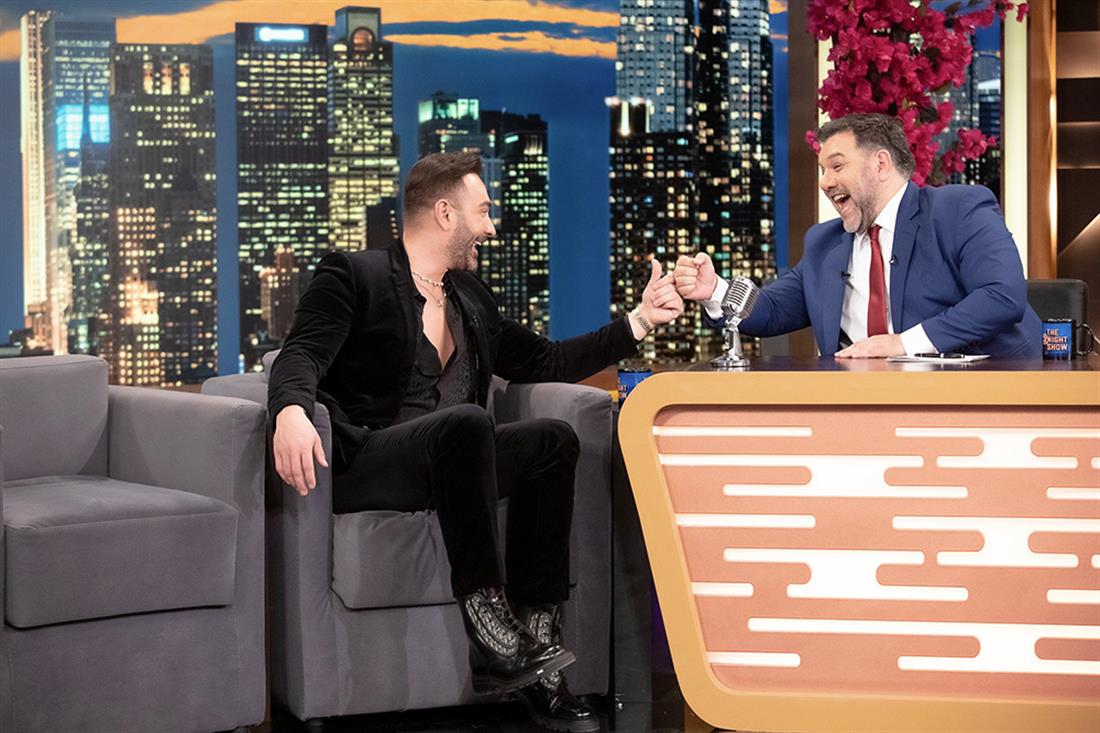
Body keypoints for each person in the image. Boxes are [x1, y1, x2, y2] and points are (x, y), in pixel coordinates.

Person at [268, 151, 683, 732]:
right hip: (371, 460)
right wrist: (290, 409)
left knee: (551, 440)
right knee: (465, 423)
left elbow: (545, 360)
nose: (491, 227)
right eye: (483, 211)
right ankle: (493, 637)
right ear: (445, 213)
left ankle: (538, 659)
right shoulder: (354, 275)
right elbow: (301, 354)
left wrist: (637, 321)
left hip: (456, 460)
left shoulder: (469, 296)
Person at [673, 113, 1041, 358]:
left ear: (880, 164)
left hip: (985, 402)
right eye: (822, 170)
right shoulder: (824, 244)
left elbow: (1002, 296)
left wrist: (902, 344)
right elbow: (771, 311)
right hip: (864, 412)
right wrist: (715, 291)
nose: (825, 182)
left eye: (836, 166)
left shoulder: (957, 209)